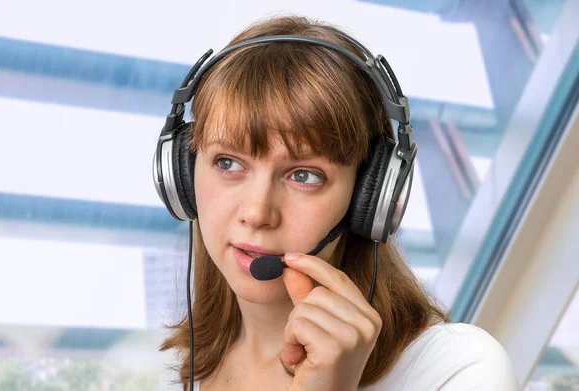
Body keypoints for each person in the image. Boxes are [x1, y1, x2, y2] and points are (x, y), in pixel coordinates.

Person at [154, 15, 520, 391]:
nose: (257, 213)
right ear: (183, 172)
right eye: (228, 163)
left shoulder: (457, 369)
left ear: (368, 194)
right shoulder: (186, 366)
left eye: (304, 176)